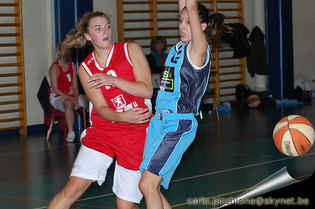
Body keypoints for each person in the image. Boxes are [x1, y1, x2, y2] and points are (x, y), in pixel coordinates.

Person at [47, 11, 153, 209]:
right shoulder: (85, 69)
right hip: (103, 131)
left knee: (125, 205)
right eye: (98, 29)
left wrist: (113, 80)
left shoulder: (131, 50)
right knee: (72, 190)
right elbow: (102, 108)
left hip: (135, 132)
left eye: (107, 26)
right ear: (87, 36)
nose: (105, 32)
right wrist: (122, 116)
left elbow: (147, 89)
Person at [138, 1, 231, 208]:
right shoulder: (179, 47)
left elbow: (190, 6)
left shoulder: (199, 49)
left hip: (178, 124)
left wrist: (190, 11)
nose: (182, 26)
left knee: (147, 185)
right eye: (180, 21)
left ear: (202, 26)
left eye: (189, 22)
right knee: (150, 186)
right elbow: (185, 5)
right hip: (159, 122)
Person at [48, 41, 89, 142]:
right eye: (64, 48)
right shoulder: (55, 67)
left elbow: (75, 86)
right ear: (59, 51)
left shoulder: (72, 66)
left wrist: (76, 98)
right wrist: (72, 99)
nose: (66, 51)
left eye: (68, 48)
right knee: (68, 103)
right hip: (58, 97)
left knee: (91, 99)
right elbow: (55, 89)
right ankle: (71, 132)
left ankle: (94, 128)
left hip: (72, 96)